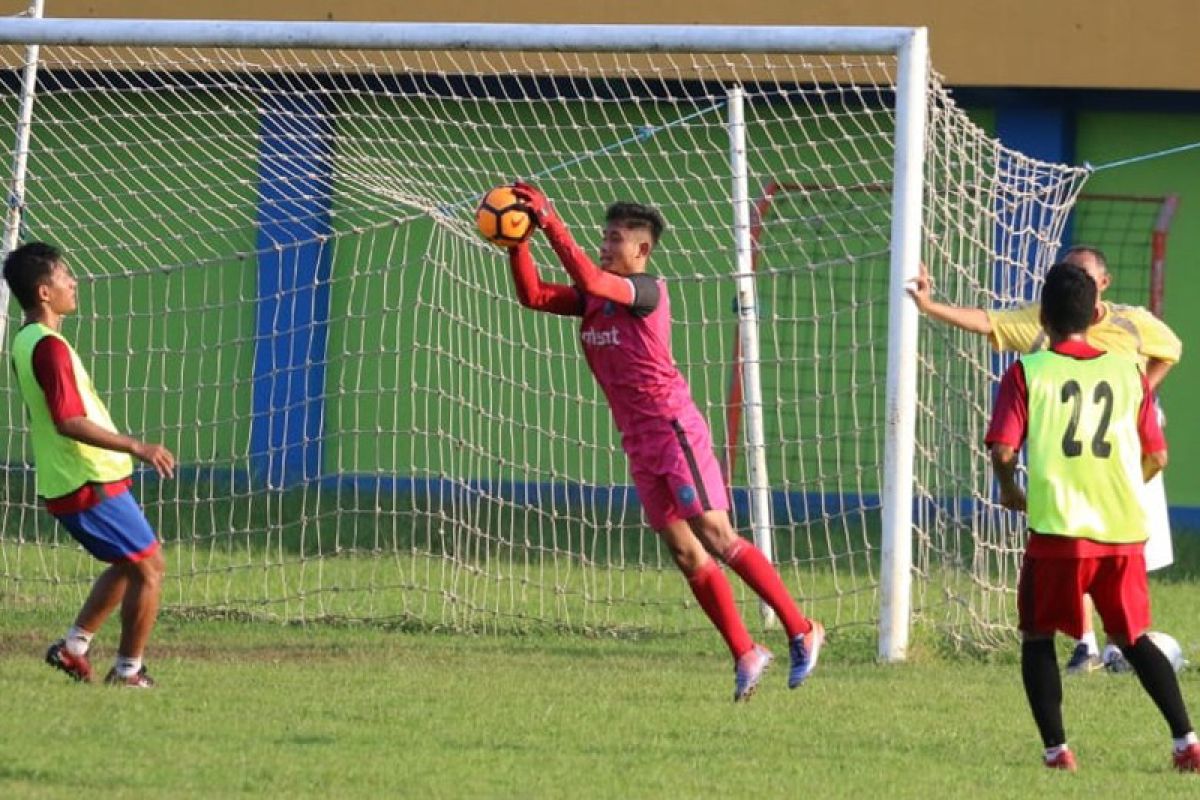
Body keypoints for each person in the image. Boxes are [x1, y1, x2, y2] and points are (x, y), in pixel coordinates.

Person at [504, 182, 823, 701]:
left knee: (716, 534)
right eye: (603, 237)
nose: (605, 246)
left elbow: (586, 274)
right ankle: (745, 651)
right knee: (685, 551)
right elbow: (534, 295)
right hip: (639, 441)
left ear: (642, 249)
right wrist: (517, 240)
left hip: (676, 431)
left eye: (614, 239)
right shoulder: (595, 299)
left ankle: (800, 627)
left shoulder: (644, 291)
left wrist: (548, 219)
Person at [908, 245, 1181, 673]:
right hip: (1069, 463)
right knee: (1077, 551)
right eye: (1067, 273)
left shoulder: (1131, 322)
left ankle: (1116, 647)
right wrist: (928, 306)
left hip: (1121, 459)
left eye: (1084, 277)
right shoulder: (1042, 322)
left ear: (1102, 287)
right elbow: (987, 321)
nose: (1073, 282)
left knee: (1118, 555)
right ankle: (1088, 645)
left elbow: (1171, 349)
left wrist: (1142, 395)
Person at [986, 262, 1199, 772]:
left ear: (1043, 316)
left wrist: (1010, 488)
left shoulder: (1027, 372)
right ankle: (1186, 742)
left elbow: (1002, 447)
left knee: (1038, 635)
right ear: (1095, 313)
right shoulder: (1128, 371)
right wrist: (1124, 489)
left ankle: (1057, 752)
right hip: (1122, 533)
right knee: (1132, 637)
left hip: (1059, 531)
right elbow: (1158, 456)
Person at [3, 242, 175, 688]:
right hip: (85, 480)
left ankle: (73, 648)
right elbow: (68, 421)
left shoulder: (26, 340)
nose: (74, 282)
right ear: (44, 292)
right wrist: (138, 446)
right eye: (65, 275)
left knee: (128, 561)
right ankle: (128, 672)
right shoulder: (49, 349)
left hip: (83, 478)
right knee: (150, 566)